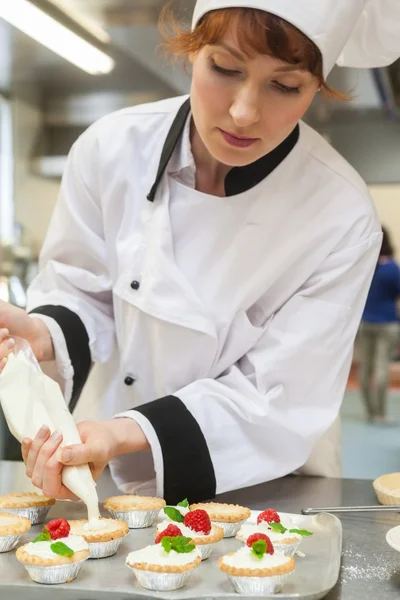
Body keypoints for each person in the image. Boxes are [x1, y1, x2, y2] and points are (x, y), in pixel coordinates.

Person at [0, 0, 399, 504]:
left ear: (318, 87)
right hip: (100, 469)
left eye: (285, 85)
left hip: (264, 486)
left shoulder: (341, 213)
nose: (244, 112)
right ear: (193, 50)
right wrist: (45, 334)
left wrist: (124, 433)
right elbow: (83, 288)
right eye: (225, 69)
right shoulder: (110, 148)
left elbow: (277, 399)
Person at [359, 227, 400, 423]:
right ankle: (381, 414)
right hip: (388, 323)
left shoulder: (366, 266)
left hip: (365, 322)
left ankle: (370, 411)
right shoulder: (392, 268)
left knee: (365, 367)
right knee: (382, 366)